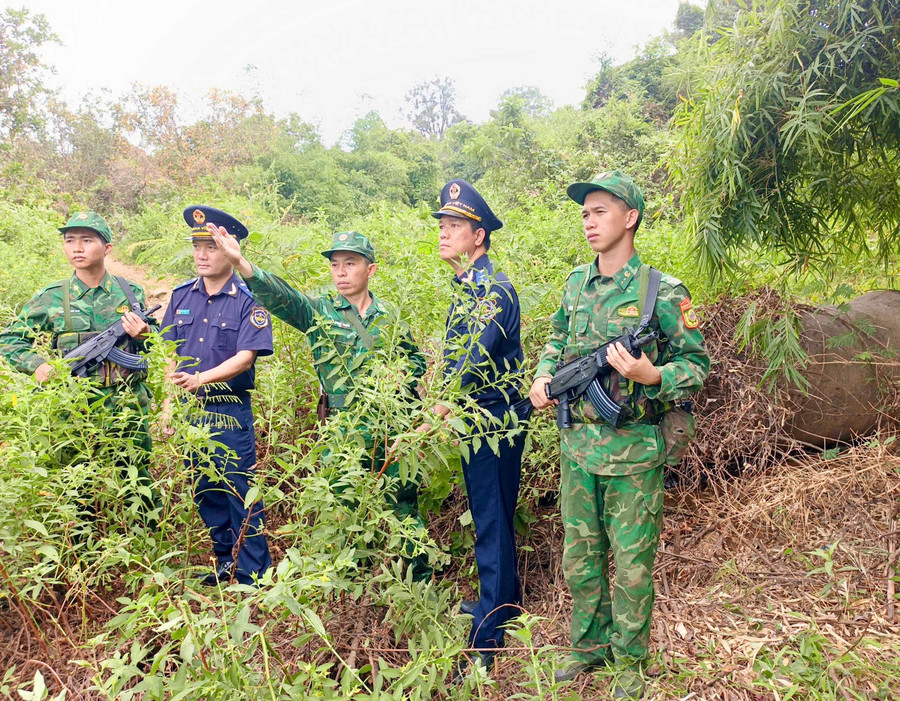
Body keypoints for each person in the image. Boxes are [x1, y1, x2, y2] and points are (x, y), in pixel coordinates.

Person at [528, 171, 709, 698]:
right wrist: (543, 376)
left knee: (632, 566)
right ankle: (587, 647)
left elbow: (697, 365)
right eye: (584, 213)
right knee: (580, 558)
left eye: (600, 211)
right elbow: (558, 339)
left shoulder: (663, 292)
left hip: (633, 452)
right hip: (578, 450)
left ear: (629, 218)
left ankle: (629, 664)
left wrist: (654, 377)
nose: (588, 221)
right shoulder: (575, 284)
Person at [206, 225, 431, 580]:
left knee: (403, 511)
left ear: (370, 269)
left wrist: (398, 373)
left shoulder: (390, 317)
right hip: (342, 435)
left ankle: (419, 583)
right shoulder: (318, 312)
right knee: (342, 513)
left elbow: (415, 361)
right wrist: (241, 263)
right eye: (335, 264)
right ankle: (351, 591)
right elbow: (282, 297)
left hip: (390, 431)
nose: (341, 272)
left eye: (350, 264)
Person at [0, 211, 159, 524]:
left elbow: (157, 347)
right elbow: (9, 339)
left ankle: (146, 541)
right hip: (76, 406)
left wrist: (145, 334)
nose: (77, 247)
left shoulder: (131, 292)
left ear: (107, 248)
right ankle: (82, 551)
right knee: (78, 482)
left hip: (127, 401)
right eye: (70, 241)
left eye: (87, 240)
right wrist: (38, 366)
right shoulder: (51, 298)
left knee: (137, 476)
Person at [428, 179, 526, 675]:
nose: (444, 234)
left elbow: (470, 360)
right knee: (491, 512)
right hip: (478, 419)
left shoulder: (492, 288)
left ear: (479, 235)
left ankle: (488, 638)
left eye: (454, 227)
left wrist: (437, 409)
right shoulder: (467, 286)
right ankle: (503, 601)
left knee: (490, 517)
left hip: (493, 419)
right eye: (442, 226)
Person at [160, 206, 274, 587]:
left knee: (239, 488)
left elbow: (244, 359)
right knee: (205, 487)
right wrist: (166, 408)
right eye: (197, 247)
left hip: (229, 409)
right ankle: (224, 560)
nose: (202, 255)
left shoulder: (249, 300)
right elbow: (169, 356)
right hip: (190, 411)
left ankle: (252, 572)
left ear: (229, 248)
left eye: (211, 247)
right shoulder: (180, 297)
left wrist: (200, 379)